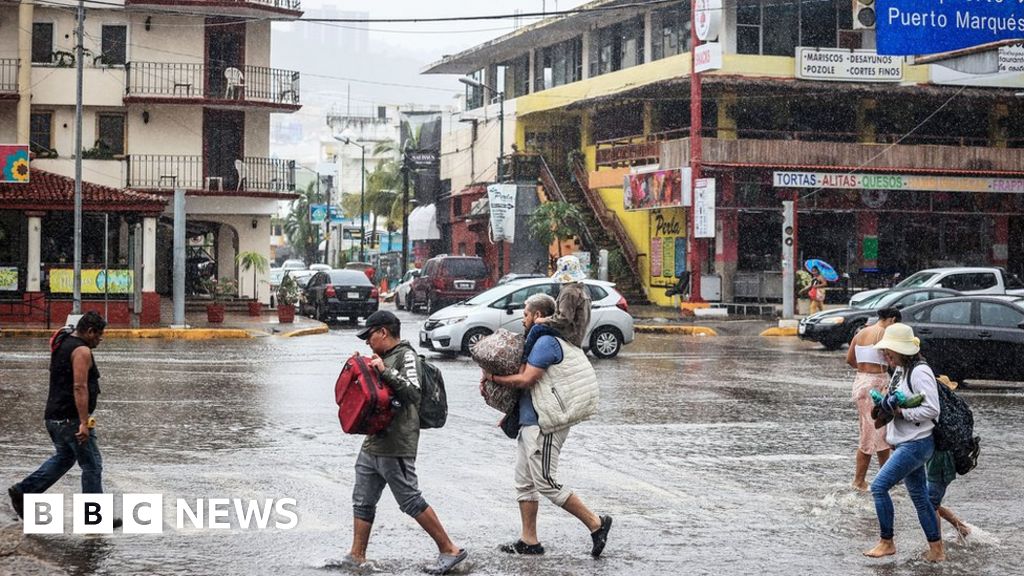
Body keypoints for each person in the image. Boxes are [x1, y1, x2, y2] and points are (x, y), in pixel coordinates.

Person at [483, 293, 612, 558]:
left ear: (538, 315)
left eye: (526, 314)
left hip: (545, 425)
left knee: (546, 482)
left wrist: (494, 377)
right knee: (524, 482)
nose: (523, 318)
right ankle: (529, 541)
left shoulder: (545, 342)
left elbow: (526, 380)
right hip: (529, 422)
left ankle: (596, 524)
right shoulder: (539, 340)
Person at [345, 311, 467, 575]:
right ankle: (356, 555)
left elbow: (412, 392)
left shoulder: (406, 356)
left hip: (397, 443)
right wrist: (363, 367)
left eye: (369, 336)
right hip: (374, 441)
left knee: (409, 499)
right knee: (362, 500)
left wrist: (384, 370)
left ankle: (449, 549)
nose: (367, 341)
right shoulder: (383, 357)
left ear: (383, 333)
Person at [8, 312, 121, 528]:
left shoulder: (64, 341)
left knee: (65, 457)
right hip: (70, 419)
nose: (100, 339)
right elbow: (79, 386)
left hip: (54, 415)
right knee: (92, 465)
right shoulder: (81, 351)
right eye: (99, 335)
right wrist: (83, 422)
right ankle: (93, 518)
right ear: (89, 332)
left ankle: (24, 491)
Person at [863, 323, 945, 562]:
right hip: (906, 442)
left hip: (917, 444)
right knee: (920, 498)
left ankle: (887, 542)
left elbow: (932, 408)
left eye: (889, 351)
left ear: (902, 351)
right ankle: (937, 550)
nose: (885, 355)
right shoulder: (900, 370)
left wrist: (901, 413)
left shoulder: (920, 372)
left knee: (878, 487)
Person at [845, 308, 901, 491]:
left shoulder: (861, 332)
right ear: (892, 319)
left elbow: (850, 359)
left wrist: (864, 367)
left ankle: (886, 477)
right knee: (872, 435)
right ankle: (860, 481)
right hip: (876, 385)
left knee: (877, 432)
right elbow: (892, 359)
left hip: (861, 381)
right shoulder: (883, 333)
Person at [927, 377, 971, 540]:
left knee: (930, 503)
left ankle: (936, 543)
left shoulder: (941, 414)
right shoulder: (953, 412)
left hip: (941, 462)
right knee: (931, 501)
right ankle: (960, 527)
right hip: (940, 461)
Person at [535, 255, 591, 348]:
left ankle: (524, 359)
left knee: (536, 329)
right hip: (578, 335)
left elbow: (563, 319)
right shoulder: (581, 289)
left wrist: (543, 320)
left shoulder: (569, 292)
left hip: (568, 336)